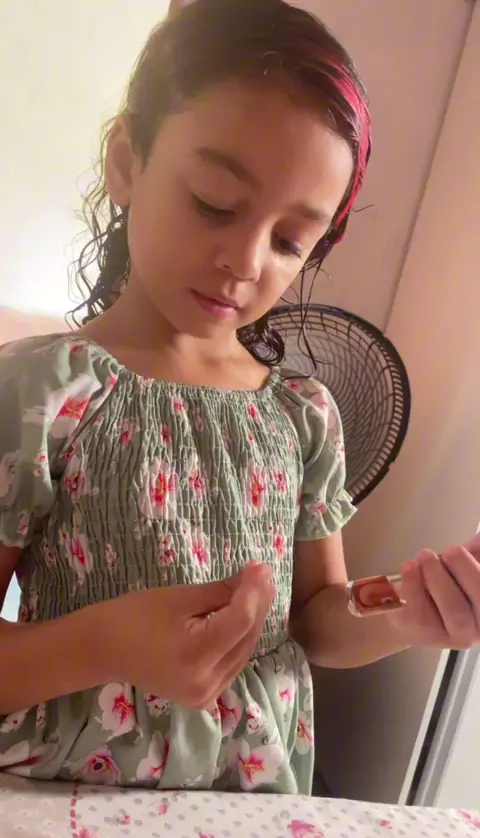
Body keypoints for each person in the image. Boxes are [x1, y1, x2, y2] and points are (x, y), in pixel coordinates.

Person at [0, 0, 479, 795]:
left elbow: (314, 617)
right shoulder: (43, 393)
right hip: (68, 808)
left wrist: (405, 614)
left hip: (250, 813)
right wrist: (106, 642)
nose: (246, 261)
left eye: (291, 241)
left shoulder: (302, 416)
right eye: (214, 203)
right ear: (127, 161)